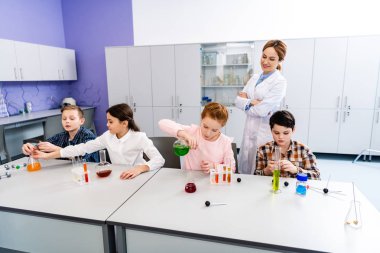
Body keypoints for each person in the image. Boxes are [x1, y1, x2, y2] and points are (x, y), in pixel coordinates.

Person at [33, 103, 165, 179]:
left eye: (111, 121)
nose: (107, 125)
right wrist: (47, 156)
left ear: (124, 123)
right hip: (119, 177)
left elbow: (159, 159)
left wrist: (140, 168)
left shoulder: (139, 137)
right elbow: (81, 148)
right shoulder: (107, 136)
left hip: (139, 176)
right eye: (107, 120)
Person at [235, 40, 287, 174]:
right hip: (248, 130)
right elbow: (238, 100)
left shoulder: (279, 82)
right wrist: (253, 102)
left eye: (271, 59)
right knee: (244, 168)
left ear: (279, 60)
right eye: (264, 56)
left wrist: (247, 101)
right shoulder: (255, 77)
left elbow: (262, 110)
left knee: (260, 170)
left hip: (264, 133)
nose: (265, 61)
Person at [159, 102, 235, 172]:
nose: (208, 133)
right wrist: (185, 135)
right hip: (189, 180)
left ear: (222, 127)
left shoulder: (225, 142)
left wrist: (214, 166)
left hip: (212, 182)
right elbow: (162, 123)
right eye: (205, 127)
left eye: (214, 130)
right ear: (201, 119)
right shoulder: (192, 132)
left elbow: (232, 169)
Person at [254, 110, 320, 179]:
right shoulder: (262, 150)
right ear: (271, 130)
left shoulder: (303, 150)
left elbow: (316, 176)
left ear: (293, 130)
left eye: (286, 133)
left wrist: (296, 170)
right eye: (276, 133)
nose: (281, 137)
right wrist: (266, 171)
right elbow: (255, 176)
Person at [22, 105, 99, 162]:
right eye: (64, 119)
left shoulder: (88, 136)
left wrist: (55, 149)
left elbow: (84, 159)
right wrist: (30, 147)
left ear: (81, 121)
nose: (67, 121)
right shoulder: (61, 136)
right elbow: (43, 146)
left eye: (72, 118)